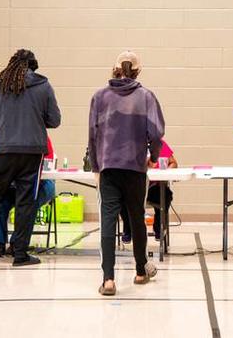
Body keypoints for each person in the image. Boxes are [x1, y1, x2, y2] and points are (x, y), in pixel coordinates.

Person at [0, 49, 61, 268]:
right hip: (31, 152)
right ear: (33, 66)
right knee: (25, 203)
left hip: (3, 151)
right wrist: (33, 120)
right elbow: (54, 120)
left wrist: (5, 128)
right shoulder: (43, 86)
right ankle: (20, 255)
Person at [89, 50, 164, 296]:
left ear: (114, 69)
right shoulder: (146, 97)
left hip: (109, 167)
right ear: (138, 71)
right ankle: (141, 271)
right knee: (136, 218)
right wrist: (152, 157)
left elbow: (93, 135)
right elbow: (156, 133)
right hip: (135, 168)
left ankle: (108, 280)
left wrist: (96, 166)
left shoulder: (99, 97)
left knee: (108, 222)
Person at [0, 136, 56, 257]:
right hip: (11, 186)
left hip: (37, 183)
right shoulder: (3, 137)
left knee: (29, 203)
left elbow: (47, 165)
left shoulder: (40, 136)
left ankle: (17, 243)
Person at [120, 138, 177, 243]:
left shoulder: (159, 144)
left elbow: (173, 163)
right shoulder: (130, 143)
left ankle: (158, 227)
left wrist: (167, 171)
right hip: (135, 187)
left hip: (154, 187)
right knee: (121, 195)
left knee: (166, 194)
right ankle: (128, 228)